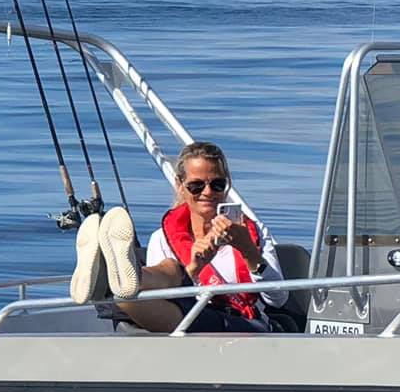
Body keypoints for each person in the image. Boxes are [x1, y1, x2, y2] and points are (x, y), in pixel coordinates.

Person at [72, 141, 287, 334]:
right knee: (148, 285)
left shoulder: (253, 232)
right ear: (180, 185)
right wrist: (194, 269)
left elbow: (277, 300)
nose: (208, 192)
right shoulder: (162, 238)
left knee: (131, 303)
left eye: (217, 184)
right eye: (196, 186)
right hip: (184, 309)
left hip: (244, 322)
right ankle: (118, 277)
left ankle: (108, 282)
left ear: (227, 184)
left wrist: (248, 251)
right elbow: (162, 297)